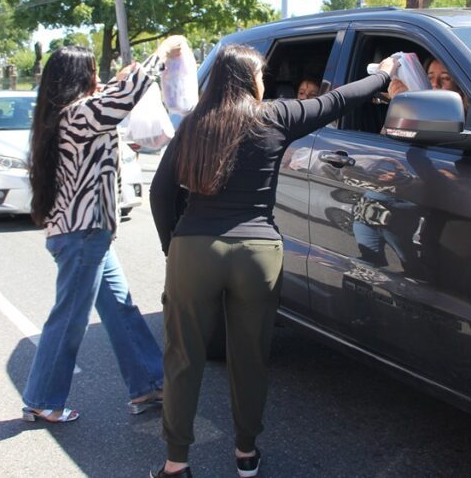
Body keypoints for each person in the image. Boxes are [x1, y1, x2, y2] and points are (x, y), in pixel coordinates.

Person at [149, 45, 396, 478]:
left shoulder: (192, 125)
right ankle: (246, 455)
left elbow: (160, 193)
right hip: (258, 254)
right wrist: (383, 75)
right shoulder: (276, 116)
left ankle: (175, 464)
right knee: (250, 358)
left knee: (182, 358)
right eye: (261, 75)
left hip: (194, 249)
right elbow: (335, 101)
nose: (264, 82)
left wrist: (174, 246)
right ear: (250, 80)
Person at [21, 36, 186, 424]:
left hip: (87, 233)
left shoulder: (62, 113)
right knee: (70, 318)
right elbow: (125, 94)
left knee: (121, 309)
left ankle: (149, 384)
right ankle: (43, 398)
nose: (99, 76)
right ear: (79, 78)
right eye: (93, 70)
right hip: (83, 234)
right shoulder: (80, 113)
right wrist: (162, 53)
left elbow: (116, 98)